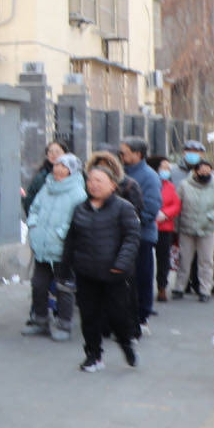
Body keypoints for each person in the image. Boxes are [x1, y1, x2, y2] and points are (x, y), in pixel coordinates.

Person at [60, 152, 142, 373]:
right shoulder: (80, 209)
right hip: (86, 273)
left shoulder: (123, 208)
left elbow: (132, 238)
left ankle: (126, 344)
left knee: (118, 316)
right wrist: (65, 268)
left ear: (112, 186)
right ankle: (93, 355)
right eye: (90, 180)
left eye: (99, 181)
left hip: (114, 273)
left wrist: (121, 263)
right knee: (89, 317)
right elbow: (71, 240)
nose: (93, 185)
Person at [23, 152, 85, 341]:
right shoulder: (47, 187)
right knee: (38, 285)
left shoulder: (78, 193)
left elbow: (76, 221)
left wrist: (60, 235)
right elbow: (34, 208)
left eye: (63, 166)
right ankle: (40, 320)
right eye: (57, 165)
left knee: (64, 287)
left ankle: (64, 325)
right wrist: (33, 226)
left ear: (71, 171)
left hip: (62, 249)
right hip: (41, 246)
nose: (58, 169)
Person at [117, 138, 162, 331]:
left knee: (141, 277)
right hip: (120, 235)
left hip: (141, 236)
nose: (121, 156)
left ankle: (142, 316)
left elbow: (151, 209)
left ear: (138, 154)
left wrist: (125, 220)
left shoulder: (149, 176)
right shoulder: (120, 173)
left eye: (125, 152)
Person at [174, 159, 214, 301]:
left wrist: (210, 216)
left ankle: (205, 290)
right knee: (184, 260)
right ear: (196, 171)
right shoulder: (184, 186)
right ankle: (179, 288)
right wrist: (176, 227)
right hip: (187, 228)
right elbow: (177, 206)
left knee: (206, 262)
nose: (205, 172)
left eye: (208, 170)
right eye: (202, 170)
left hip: (208, 230)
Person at [152, 154, 181, 307]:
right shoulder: (150, 183)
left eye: (168, 168)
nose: (166, 171)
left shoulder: (170, 186)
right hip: (149, 225)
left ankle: (162, 286)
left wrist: (165, 213)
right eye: (163, 168)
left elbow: (176, 204)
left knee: (163, 259)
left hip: (165, 227)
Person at [21, 141, 66, 212]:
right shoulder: (40, 177)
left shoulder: (74, 175)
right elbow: (30, 201)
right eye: (50, 152)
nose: (54, 154)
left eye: (57, 152)